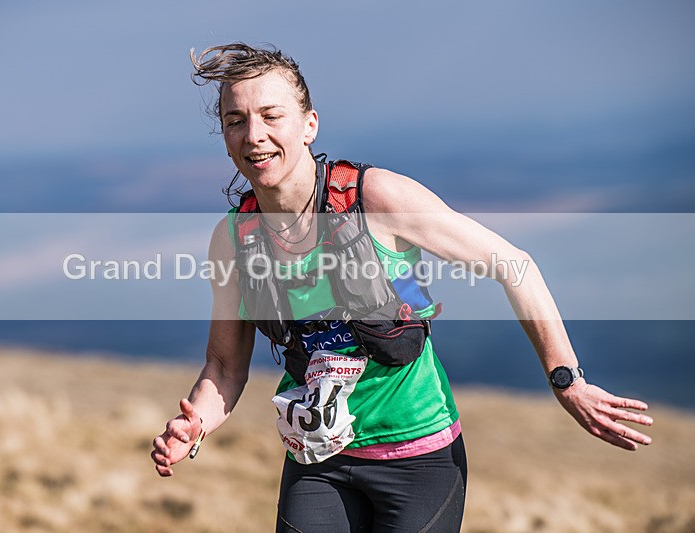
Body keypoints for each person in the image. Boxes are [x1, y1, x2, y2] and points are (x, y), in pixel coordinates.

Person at [151, 43, 654, 532]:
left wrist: (566, 380)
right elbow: (224, 365)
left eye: (270, 115)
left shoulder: (376, 198)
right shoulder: (235, 237)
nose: (253, 134)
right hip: (317, 457)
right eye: (235, 121)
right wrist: (196, 426)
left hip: (419, 460)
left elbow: (514, 265)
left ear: (309, 125)